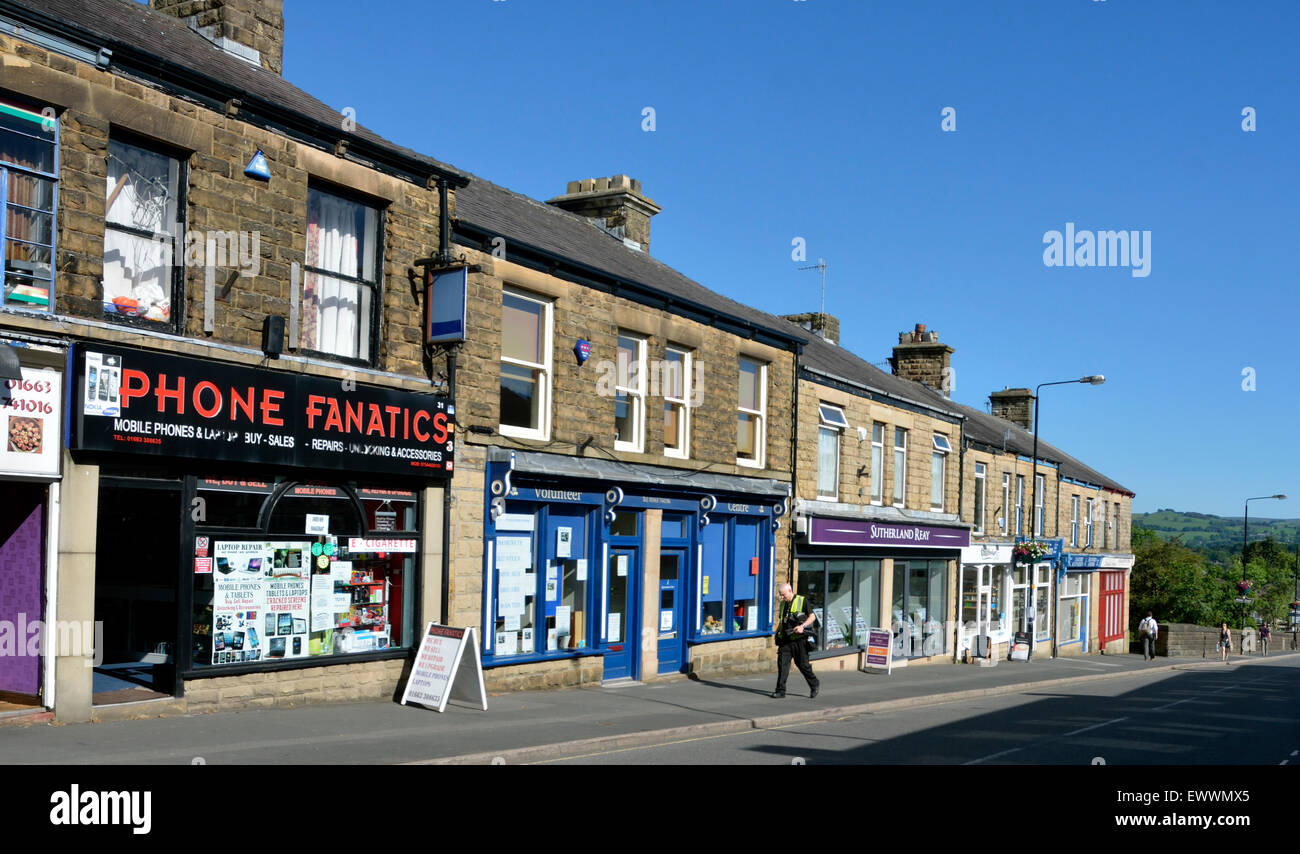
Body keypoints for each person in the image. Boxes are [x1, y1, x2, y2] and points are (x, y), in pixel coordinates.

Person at [772, 583, 820, 699]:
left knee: (803, 665)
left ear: (790, 591)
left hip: (799, 640)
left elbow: (812, 617)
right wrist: (777, 632)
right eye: (781, 596)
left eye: (783, 595)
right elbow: (782, 620)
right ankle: (780, 690)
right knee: (782, 665)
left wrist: (802, 626)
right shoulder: (783, 604)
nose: (782, 598)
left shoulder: (802, 600)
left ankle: (814, 684)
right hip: (785, 640)